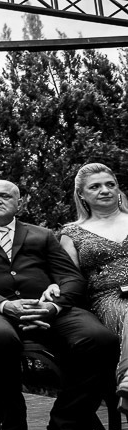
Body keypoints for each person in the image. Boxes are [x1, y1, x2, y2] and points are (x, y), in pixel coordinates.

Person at [0, 179, 119, 430]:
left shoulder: (41, 235)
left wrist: (53, 306)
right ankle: (13, 429)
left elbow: (71, 277)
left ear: (19, 203)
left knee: (101, 339)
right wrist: (4, 305)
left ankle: (68, 423)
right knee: (0, 338)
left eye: (5, 195)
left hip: (49, 309)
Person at [55, 163, 128, 409]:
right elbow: (70, 278)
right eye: (95, 187)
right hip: (110, 298)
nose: (105, 190)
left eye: (110, 184)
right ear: (82, 195)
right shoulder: (72, 233)